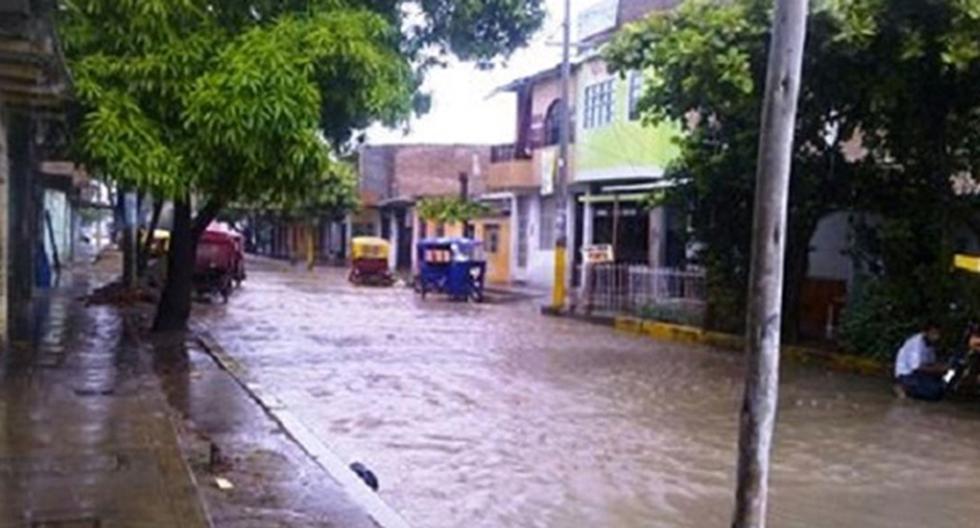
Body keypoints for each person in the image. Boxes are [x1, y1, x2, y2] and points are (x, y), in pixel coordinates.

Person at [894, 321, 947, 401]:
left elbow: (930, 362)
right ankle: (903, 387)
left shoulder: (930, 345)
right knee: (933, 392)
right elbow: (917, 367)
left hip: (920, 374)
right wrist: (939, 369)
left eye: (937, 334)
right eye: (933, 333)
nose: (936, 337)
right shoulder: (916, 343)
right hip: (907, 374)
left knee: (941, 388)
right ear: (925, 333)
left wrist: (942, 367)